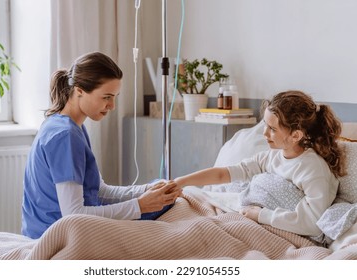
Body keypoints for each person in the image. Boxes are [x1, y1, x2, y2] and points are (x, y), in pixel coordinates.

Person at [21, 52, 181, 239]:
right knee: (168, 204)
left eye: (114, 97)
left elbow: (99, 191)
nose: (112, 105)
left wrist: (144, 191)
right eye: (106, 97)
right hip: (58, 236)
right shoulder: (65, 135)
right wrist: (140, 205)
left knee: (158, 189)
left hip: (55, 228)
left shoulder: (69, 126)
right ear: (79, 90)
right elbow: (73, 213)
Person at [174, 90, 346, 238]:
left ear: (296, 136)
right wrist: (181, 181)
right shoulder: (272, 156)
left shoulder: (312, 169)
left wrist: (262, 215)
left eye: (272, 129)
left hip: (271, 226)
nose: (264, 133)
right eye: (265, 125)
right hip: (248, 211)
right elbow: (225, 174)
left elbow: (312, 222)